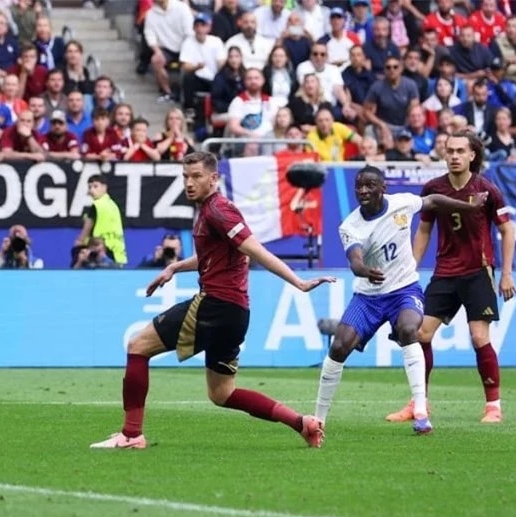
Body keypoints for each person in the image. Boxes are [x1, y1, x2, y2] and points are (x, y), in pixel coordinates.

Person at [90, 151, 335, 450]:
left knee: (137, 346)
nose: (189, 183)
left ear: (213, 178)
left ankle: (131, 435)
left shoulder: (219, 210)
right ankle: (303, 424)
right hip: (235, 314)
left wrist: (297, 281)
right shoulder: (211, 211)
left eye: (196, 176)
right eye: (185, 176)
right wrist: (174, 267)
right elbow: (213, 255)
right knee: (222, 393)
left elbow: (254, 249)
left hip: (216, 305)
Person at [314, 166, 489, 435]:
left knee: (410, 330)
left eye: (370, 185)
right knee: (338, 347)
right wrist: (363, 270)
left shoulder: (402, 203)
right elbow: (355, 259)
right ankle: (318, 418)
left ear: (383, 187)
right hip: (368, 297)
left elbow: (433, 201)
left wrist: (468, 206)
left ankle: (420, 411)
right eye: (359, 186)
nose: (363, 190)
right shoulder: (349, 226)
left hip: (403, 290)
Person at [386, 131, 516, 425]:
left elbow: (507, 230)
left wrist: (506, 273)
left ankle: (493, 406)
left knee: (478, 336)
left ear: (472, 155)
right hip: (445, 272)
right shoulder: (434, 189)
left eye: (460, 151)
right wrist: (410, 267)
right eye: (450, 151)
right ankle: (419, 403)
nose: (455, 156)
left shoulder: (486, 190)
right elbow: (423, 231)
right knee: (420, 334)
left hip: (478, 272)